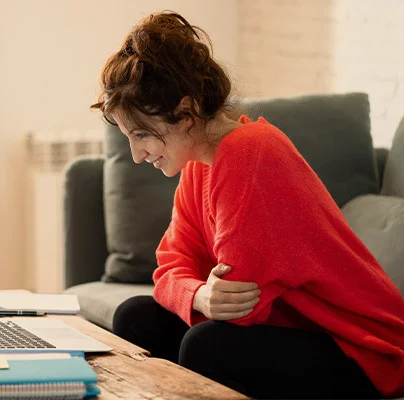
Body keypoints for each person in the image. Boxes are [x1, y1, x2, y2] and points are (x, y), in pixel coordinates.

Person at [91, 11, 404, 399]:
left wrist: (196, 293)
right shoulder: (197, 167)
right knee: (135, 316)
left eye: (142, 134)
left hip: (363, 352)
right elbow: (169, 267)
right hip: (292, 332)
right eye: (129, 138)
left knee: (209, 345)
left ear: (186, 113)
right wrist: (199, 295)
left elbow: (241, 310)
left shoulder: (249, 153)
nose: (137, 155)